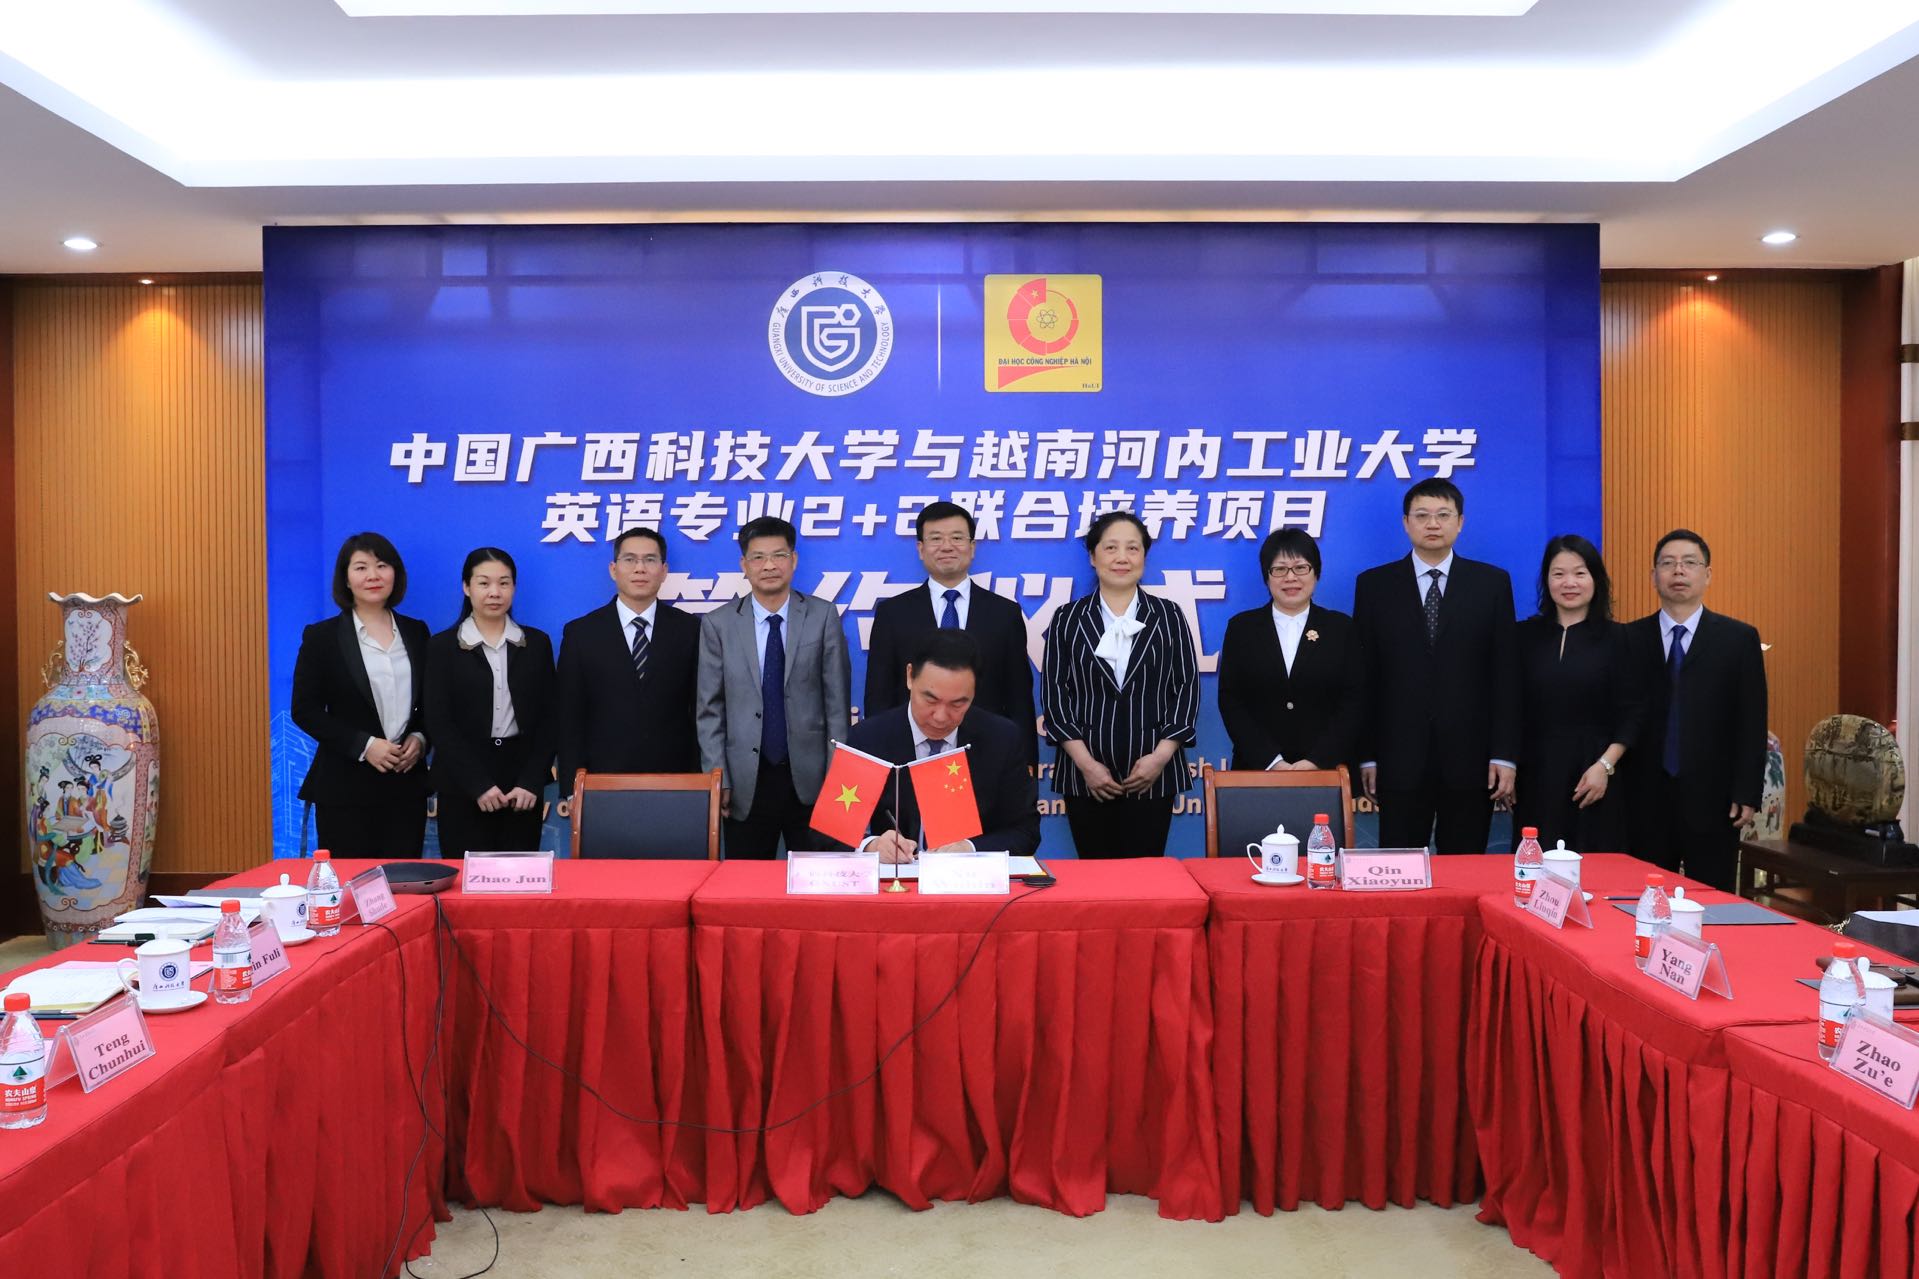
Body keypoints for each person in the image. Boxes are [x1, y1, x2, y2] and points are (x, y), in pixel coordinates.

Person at [1352, 479, 1520, 854]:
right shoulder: (1374, 586)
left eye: (1443, 515)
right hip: (1398, 758)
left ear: (1460, 522)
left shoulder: (1491, 584)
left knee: (1465, 868)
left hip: (1471, 759)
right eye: (1422, 515)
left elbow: (1505, 676)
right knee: (1400, 868)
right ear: (1406, 523)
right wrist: (1367, 754)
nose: (1432, 524)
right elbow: (1365, 679)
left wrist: (1503, 754)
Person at [1041, 510, 1199, 858]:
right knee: (1096, 877)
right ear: (1093, 556)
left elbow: (1186, 689)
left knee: (1146, 876)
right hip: (1085, 776)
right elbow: (1055, 696)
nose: (1122, 558)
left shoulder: (1169, 615)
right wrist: (1086, 764)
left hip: (1155, 772)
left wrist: (1160, 757)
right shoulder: (1067, 618)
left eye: (1133, 548)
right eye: (1111, 547)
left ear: (1144, 556)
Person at [697, 516, 852, 858]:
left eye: (779, 555)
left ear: (793, 560)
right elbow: (710, 711)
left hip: (811, 778)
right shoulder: (719, 624)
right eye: (758, 557)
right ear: (744, 565)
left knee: (818, 879)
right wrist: (718, 778)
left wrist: (836, 777)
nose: (769, 566)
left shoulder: (822, 616)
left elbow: (837, 706)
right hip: (744, 781)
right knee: (745, 882)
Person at [1624, 529, 1768, 891]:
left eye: (1690, 563)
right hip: (1644, 796)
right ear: (1653, 576)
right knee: (1642, 898)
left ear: (1707, 575)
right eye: (1668, 563)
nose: (1678, 571)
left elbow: (1752, 721)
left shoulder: (1738, 639)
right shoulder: (1629, 639)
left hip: (1714, 798)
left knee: (1713, 900)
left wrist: (1747, 791)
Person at [864, 500, 1038, 768]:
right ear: (920, 549)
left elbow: (1019, 696)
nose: (946, 546)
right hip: (911, 754)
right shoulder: (893, 613)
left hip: (988, 753)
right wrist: (880, 760)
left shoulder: (1005, 613)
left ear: (972, 547)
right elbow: (879, 695)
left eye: (957, 538)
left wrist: (1026, 761)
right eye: (936, 538)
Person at [843, 630, 1041, 862]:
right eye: (931, 700)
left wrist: (969, 848)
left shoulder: (1001, 738)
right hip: (895, 878)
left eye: (957, 704)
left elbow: (1025, 831)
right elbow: (829, 833)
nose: (940, 717)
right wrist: (871, 846)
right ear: (910, 676)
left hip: (971, 879)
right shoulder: (868, 739)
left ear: (974, 692)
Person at [291, 532, 431, 856]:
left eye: (382, 566)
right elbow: (305, 709)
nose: (373, 575)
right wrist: (365, 746)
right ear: (346, 579)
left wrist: (422, 738)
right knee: (350, 881)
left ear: (395, 574)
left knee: (404, 880)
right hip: (345, 786)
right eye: (361, 567)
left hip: (405, 784)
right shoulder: (322, 637)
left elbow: (432, 701)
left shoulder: (417, 632)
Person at [425, 548, 557, 857]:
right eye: (484, 583)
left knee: (520, 877)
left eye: (504, 583)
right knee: (466, 878)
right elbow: (438, 721)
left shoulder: (536, 644)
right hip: (462, 783)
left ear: (514, 588)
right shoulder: (442, 647)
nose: (494, 592)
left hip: (521, 786)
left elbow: (551, 718)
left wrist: (531, 780)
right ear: (466, 587)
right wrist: (477, 785)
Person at [555, 527, 702, 803]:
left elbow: (700, 710)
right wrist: (572, 789)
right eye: (630, 559)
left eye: (650, 560)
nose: (640, 568)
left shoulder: (690, 630)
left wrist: (700, 780)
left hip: (676, 781)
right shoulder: (581, 633)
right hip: (602, 782)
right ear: (613, 569)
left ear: (664, 570)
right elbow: (569, 716)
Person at [1512, 534, 1638, 853]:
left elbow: (1633, 712)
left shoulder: (1620, 638)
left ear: (1596, 579)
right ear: (1546, 580)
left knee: (1594, 865)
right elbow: (1510, 707)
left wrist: (1604, 766)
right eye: (1559, 574)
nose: (1569, 583)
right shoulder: (1523, 636)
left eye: (1580, 573)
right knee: (1534, 864)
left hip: (1593, 773)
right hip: (1536, 774)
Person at [1215, 528, 1363, 773]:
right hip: (1257, 771)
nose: (1290, 577)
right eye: (1280, 569)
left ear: (1316, 573)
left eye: (1301, 568)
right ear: (1267, 576)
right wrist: (1271, 762)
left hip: (1327, 771)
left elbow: (1354, 701)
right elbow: (1231, 700)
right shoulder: (1242, 628)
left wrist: (1317, 761)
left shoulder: (1340, 628)